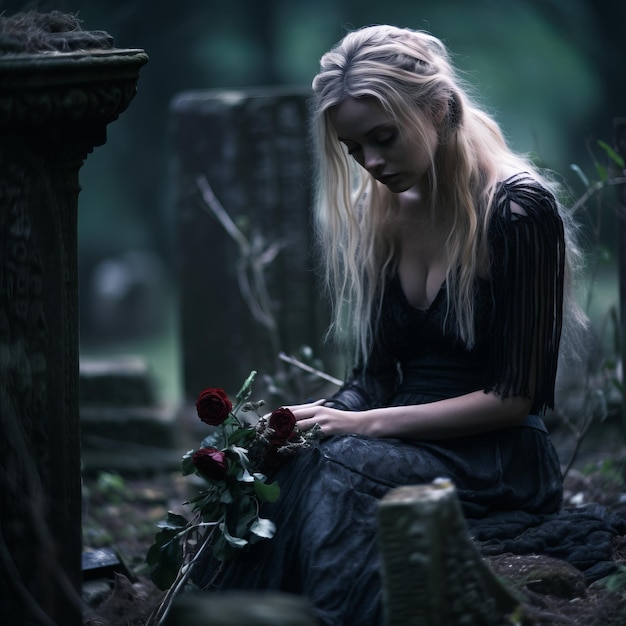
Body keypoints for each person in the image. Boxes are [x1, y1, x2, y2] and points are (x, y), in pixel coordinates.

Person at [197, 25, 618, 625]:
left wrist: (362, 425)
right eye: (353, 149)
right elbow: (372, 376)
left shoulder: (520, 211)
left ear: (439, 108)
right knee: (282, 463)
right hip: (395, 435)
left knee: (344, 464)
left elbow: (514, 399)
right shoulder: (382, 215)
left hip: (494, 453)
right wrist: (312, 420)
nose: (371, 162)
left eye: (383, 138)